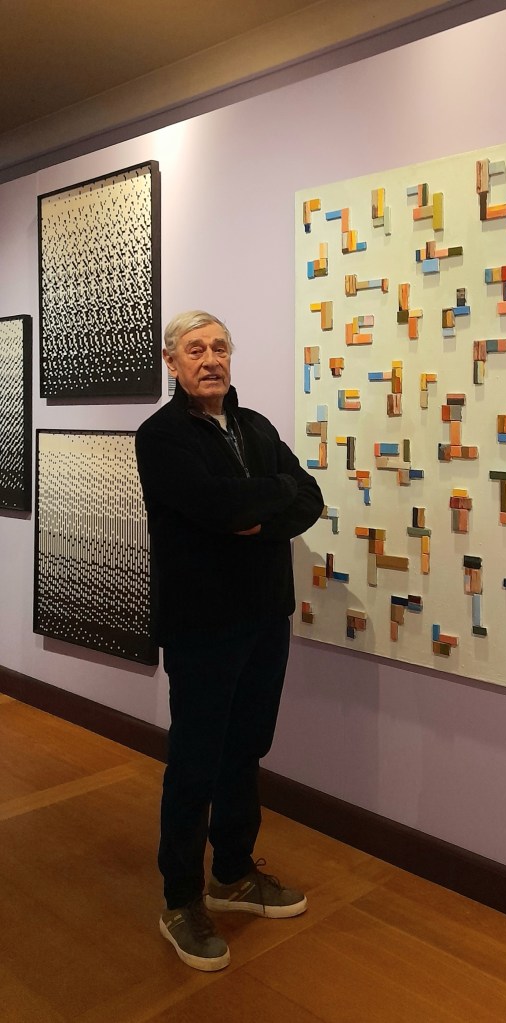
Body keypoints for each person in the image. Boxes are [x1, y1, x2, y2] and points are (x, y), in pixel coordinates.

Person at [135, 310, 324, 971]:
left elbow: (308, 499)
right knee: (196, 760)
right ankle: (181, 899)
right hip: (202, 624)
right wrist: (265, 499)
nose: (210, 358)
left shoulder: (257, 427)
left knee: (246, 747)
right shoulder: (160, 437)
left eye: (219, 347)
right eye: (195, 349)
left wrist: (260, 509)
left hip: (266, 616)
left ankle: (234, 873)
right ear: (172, 362)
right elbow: (221, 507)